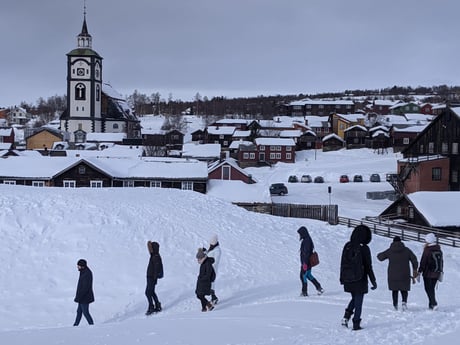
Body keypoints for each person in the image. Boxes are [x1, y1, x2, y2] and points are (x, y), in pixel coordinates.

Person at [340, 225, 377, 331]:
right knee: (359, 301)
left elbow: (342, 263)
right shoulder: (364, 248)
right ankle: (356, 323)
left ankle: (345, 318)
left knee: (355, 298)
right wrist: (373, 280)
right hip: (360, 278)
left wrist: (342, 278)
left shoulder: (347, 245)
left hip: (348, 278)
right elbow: (368, 266)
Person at [377, 236, 418, 311]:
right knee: (404, 289)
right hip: (404, 274)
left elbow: (380, 257)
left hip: (393, 275)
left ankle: (395, 305)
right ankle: (404, 302)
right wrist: (415, 268)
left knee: (394, 290)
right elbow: (414, 259)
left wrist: (379, 254)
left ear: (393, 242)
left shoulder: (390, 250)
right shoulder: (406, 250)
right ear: (401, 241)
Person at [418, 233, 443, 310]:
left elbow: (423, 261)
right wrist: (441, 271)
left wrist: (420, 271)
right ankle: (431, 305)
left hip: (428, 273)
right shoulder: (439, 249)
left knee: (428, 289)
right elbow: (442, 262)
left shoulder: (427, 250)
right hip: (437, 273)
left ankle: (434, 303)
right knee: (431, 289)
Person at [297, 226, 324, 296]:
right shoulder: (308, 239)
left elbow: (306, 253)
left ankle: (304, 292)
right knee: (308, 275)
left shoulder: (306, 241)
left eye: (300, 233)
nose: (299, 235)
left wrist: (304, 263)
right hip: (308, 262)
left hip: (306, 262)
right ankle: (319, 287)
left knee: (302, 276)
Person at [73, 259, 94, 326]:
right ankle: (75, 325)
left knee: (85, 312)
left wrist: (79, 297)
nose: (77, 267)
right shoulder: (83, 272)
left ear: (82, 266)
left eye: (78, 266)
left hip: (85, 297)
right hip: (82, 297)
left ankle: (92, 325)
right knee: (79, 312)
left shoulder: (87, 274)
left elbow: (85, 288)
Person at [145, 240, 164, 315]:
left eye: (151, 248)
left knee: (148, 292)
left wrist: (155, 278)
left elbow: (156, 269)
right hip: (150, 277)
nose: (149, 250)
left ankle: (151, 307)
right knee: (151, 292)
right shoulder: (154, 255)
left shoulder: (155, 256)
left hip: (151, 278)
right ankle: (157, 305)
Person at [195, 247, 216, 312]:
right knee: (200, 295)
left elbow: (208, 275)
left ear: (203, 257)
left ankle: (208, 306)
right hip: (202, 282)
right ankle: (205, 308)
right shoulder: (203, 263)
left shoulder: (207, 263)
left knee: (200, 295)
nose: (198, 260)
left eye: (199, 259)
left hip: (205, 282)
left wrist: (201, 279)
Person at [206, 234, 221, 305]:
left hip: (212, 270)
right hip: (208, 268)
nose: (210, 244)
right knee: (209, 283)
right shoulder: (212, 248)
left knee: (211, 283)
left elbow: (215, 261)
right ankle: (213, 297)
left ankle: (214, 298)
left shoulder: (217, 250)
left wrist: (209, 264)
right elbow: (209, 255)